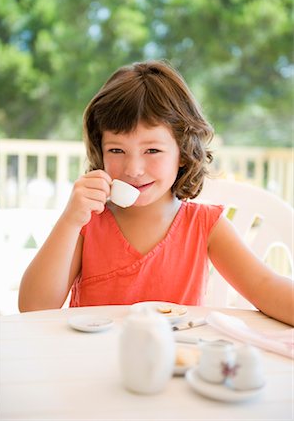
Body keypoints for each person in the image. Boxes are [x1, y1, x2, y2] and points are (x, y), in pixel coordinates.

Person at [18, 60, 293, 326]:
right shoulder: (87, 222)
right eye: (116, 150)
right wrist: (69, 221)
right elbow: (34, 308)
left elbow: (265, 285)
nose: (134, 169)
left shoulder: (206, 226)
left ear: (183, 153)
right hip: (93, 364)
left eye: (152, 150)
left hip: (175, 366)